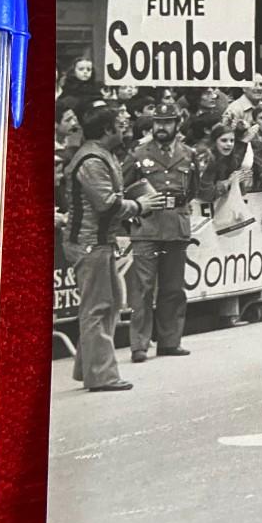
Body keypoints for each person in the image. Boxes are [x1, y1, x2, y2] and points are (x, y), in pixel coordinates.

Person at [63, 106, 165, 392]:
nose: (124, 129)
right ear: (107, 129)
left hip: (96, 240)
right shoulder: (92, 160)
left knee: (106, 304)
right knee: (99, 307)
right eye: (119, 125)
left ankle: (90, 369)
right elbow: (106, 203)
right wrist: (140, 205)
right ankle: (102, 375)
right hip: (89, 242)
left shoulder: (98, 155)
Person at [122, 102, 202, 364]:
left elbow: (192, 189)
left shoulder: (188, 154)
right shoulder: (138, 155)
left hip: (175, 226)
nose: (161, 127)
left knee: (172, 288)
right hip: (146, 227)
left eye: (167, 122)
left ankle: (169, 341)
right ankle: (139, 345)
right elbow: (124, 189)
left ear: (177, 125)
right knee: (143, 289)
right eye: (158, 122)